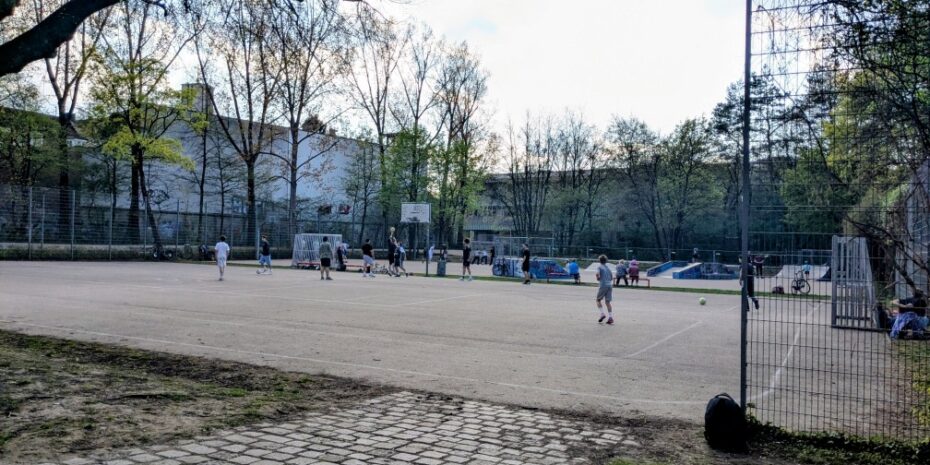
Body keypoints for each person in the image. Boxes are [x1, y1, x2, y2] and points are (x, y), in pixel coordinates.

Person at [595, 255, 615, 325]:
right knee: (608, 302)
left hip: (603, 285)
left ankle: (602, 313)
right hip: (609, 285)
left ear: (599, 260)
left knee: (598, 300)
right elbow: (611, 277)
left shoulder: (599, 267)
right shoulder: (608, 268)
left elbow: (597, 274)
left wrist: (598, 278)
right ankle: (610, 317)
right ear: (606, 261)